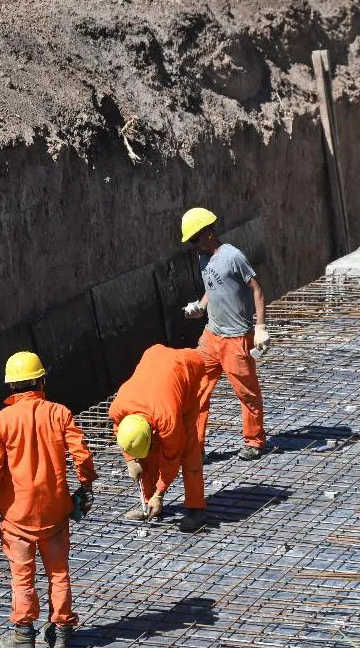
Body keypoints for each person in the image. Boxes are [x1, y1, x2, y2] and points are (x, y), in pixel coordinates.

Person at [0, 351, 96, 648]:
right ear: (41, 381)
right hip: (55, 511)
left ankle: (24, 637)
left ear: (10, 386)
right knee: (59, 573)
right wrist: (86, 485)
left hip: (17, 516)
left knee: (22, 576)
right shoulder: (59, 413)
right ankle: (62, 633)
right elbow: (81, 454)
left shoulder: (1, 420)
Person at [180, 207, 269, 461]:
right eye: (191, 241)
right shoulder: (202, 258)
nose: (194, 245)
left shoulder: (233, 256)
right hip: (211, 336)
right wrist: (201, 306)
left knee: (247, 393)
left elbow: (257, 290)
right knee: (196, 391)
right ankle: (195, 447)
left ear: (208, 233)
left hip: (236, 339)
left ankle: (254, 441)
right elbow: (212, 288)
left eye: (195, 239)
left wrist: (260, 327)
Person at [108, 344, 209, 534]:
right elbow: (120, 432)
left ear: (152, 431)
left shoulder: (167, 418)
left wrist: (160, 493)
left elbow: (172, 458)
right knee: (144, 454)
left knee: (188, 449)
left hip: (186, 372)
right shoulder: (117, 409)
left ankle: (196, 509)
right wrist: (131, 460)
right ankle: (149, 505)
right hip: (154, 362)